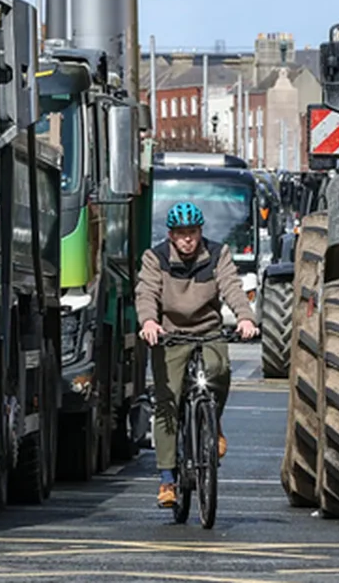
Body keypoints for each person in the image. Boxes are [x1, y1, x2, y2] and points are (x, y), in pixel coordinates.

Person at [136, 201, 259, 508]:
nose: (187, 239)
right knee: (168, 402)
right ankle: (167, 480)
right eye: (181, 234)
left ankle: (212, 423)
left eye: (192, 233)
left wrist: (245, 317)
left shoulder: (218, 254)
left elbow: (231, 286)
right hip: (170, 334)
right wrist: (149, 321)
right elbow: (147, 292)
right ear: (171, 235)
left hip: (208, 331)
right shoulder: (156, 258)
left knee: (219, 372)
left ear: (201, 232)